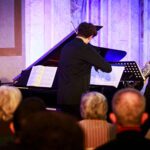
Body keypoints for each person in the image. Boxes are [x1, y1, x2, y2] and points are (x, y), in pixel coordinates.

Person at [57, 22, 112, 119]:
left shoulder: (66, 46)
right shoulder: (85, 48)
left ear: (78, 32)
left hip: (62, 96)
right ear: (91, 36)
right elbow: (107, 68)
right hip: (77, 99)